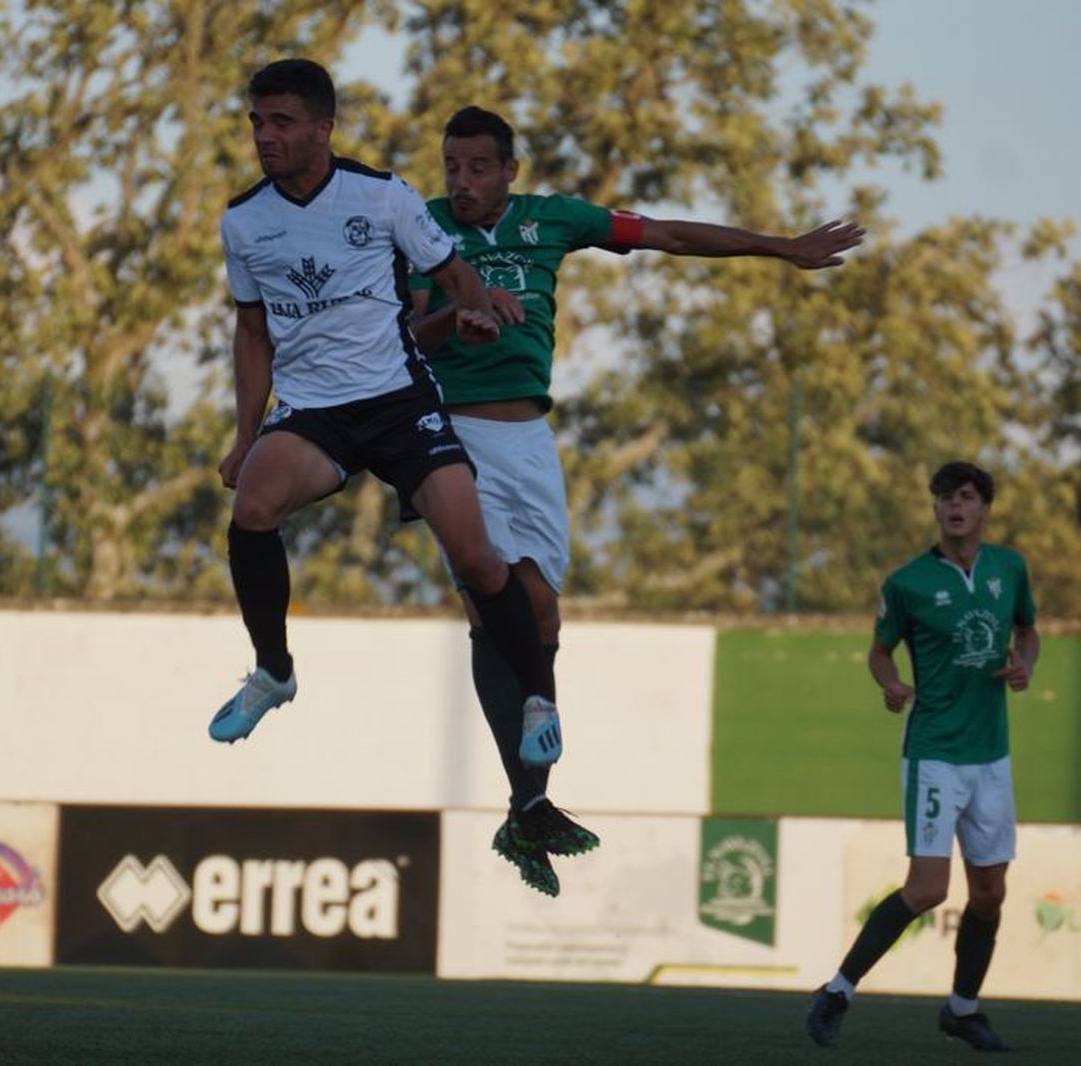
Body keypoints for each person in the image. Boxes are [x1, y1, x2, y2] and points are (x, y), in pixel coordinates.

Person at [409, 106, 865, 896]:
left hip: (527, 441)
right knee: (487, 599)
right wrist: (459, 318)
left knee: (543, 613)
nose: (463, 182)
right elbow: (413, 337)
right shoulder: (421, 229)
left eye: (478, 168)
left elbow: (666, 235)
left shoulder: (554, 221)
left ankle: (528, 794)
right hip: (450, 436)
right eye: (453, 166)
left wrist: (780, 248)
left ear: (510, 171)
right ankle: (532, 794)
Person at [211, 62, 560, 755]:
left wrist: (477, 306)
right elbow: (252, 333)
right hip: (314, 411)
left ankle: (536, 699)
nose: (264, 136)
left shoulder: (381, 196)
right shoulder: (244, 221)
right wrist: (245, 436)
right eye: (257, 122)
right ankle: (274, 672)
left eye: (281, 122)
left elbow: (455, 273)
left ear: (322, 129)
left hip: (400, 403)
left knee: (481, 561)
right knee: (252, 507)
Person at [805, 461, 1040, 1052]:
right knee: (929, 888)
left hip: (992, 755)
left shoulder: (1009, 568)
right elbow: (879, 652)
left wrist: (1026, 663)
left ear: (984, 508)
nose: (955, 507)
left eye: (965, 497)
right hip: (934, 751)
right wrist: (890, 683)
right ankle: (837, 990)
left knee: (990, 894)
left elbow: (1029, 631)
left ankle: (962, 1010)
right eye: (944, 498)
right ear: (934, 509)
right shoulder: (907, 582)